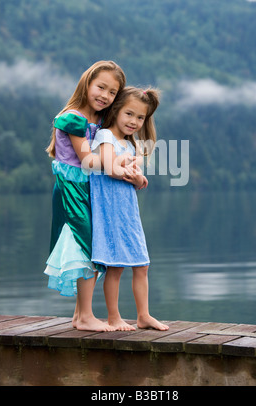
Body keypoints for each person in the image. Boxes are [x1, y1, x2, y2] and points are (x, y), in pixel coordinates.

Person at [44, 60, 135, 332]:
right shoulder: (73, 117)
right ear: (87, 83)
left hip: (91, 189)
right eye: (101, 87)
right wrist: (116, 166)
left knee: (93, 247)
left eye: (112, 93)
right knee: (84, 245)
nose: (104, 96)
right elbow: (86, 159)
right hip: (72, 189)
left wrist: (126, 162)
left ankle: (79, 316)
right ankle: (85, 316)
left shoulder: (99, 121)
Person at [90, 86, 169, 331]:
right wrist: (129, 168)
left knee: (142, 264)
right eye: (129, 114)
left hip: (128, 212)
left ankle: (143, 315)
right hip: (109, 211)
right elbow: (111, 169)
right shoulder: (105, 137)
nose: (134, 122)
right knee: (115, 266)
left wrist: (138, 178)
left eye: (140, 117)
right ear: (116, 111)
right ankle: (113, 317)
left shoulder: (130, 145)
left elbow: (137, 181)